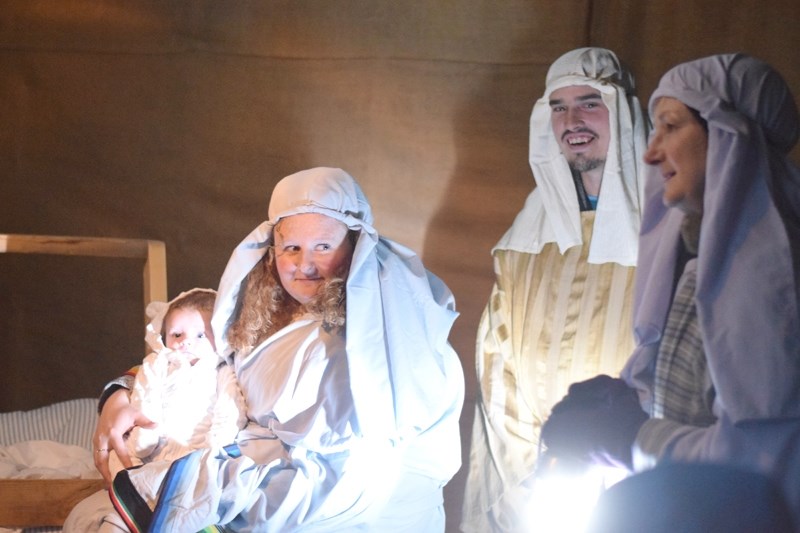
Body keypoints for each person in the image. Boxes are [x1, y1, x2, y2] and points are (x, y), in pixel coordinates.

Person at [65, 167, 464, 532]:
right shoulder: (261, 312)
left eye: (323, 246)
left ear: (356, 247)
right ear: (271, 250)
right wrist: (118, 393)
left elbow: (346, 472)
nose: (304, 264)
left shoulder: (390, 336)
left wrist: (210, 484)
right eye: (291, 248)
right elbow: (194, 360)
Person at [541, 53, 800, 526]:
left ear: (727, 137)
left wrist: (633, 438)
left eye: (671, 126)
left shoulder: (778, 279)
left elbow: (764, 460)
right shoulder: (697, 257)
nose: (651, 151)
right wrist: (619, 402)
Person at [462, 47, 648, 531]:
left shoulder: (669, 228)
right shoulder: (527, 236)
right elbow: (498, 363)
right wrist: (536, 466)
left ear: (622, 112)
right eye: (559, 107)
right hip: (541, 481)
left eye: (589, 102)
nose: (572, 120)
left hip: (633, 474)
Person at [107, 288, 247, 478]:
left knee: (220, 475)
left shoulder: (222, 371)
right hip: (156, 447)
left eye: (200, 335)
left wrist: (215, 446)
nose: (186, 342)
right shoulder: (158, 364)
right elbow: (145, 394)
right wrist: (146, 433)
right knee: (117, 458)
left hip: (199, 451)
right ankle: (135, 494)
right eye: (177, 335)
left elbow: (230, 409)